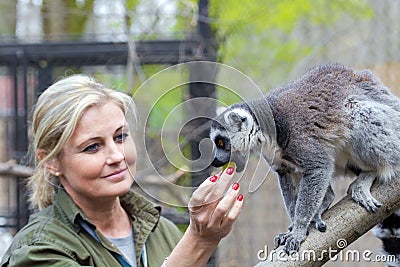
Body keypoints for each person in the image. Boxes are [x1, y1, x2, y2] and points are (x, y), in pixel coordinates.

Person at [0, 75, 243, 267]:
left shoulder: (161, 231)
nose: (117, 156)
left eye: (120, 137)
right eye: (92, 147)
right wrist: (198, 242)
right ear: (51, 161)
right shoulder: (39, 250)